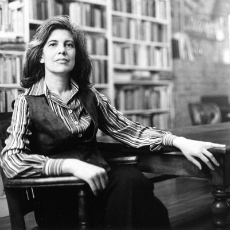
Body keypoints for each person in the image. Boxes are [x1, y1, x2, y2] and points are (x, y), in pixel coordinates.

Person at [0, 15, 225, 230]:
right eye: (53, 45)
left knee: (131, 180)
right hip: (59, 197)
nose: (62, 50)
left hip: (99, 188)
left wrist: (178, 141)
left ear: (75, 53)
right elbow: (11, 160)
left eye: (69, 45)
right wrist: (70, 166)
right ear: (40, 55)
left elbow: (130, 131)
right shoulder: (25, 102)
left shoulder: (90, 96)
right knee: (129, 190)